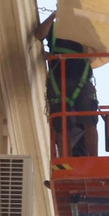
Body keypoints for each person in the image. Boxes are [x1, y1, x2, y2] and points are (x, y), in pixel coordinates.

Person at [36, 14, 99, 157]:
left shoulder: (83, 28)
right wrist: (54, 15)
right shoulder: (53, 27)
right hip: (59, 81)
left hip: (79, 78)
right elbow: (39, 34)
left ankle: (94, 158)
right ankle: (66, 160)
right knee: (61, 125)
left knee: (89, 121)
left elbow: (96, 47)